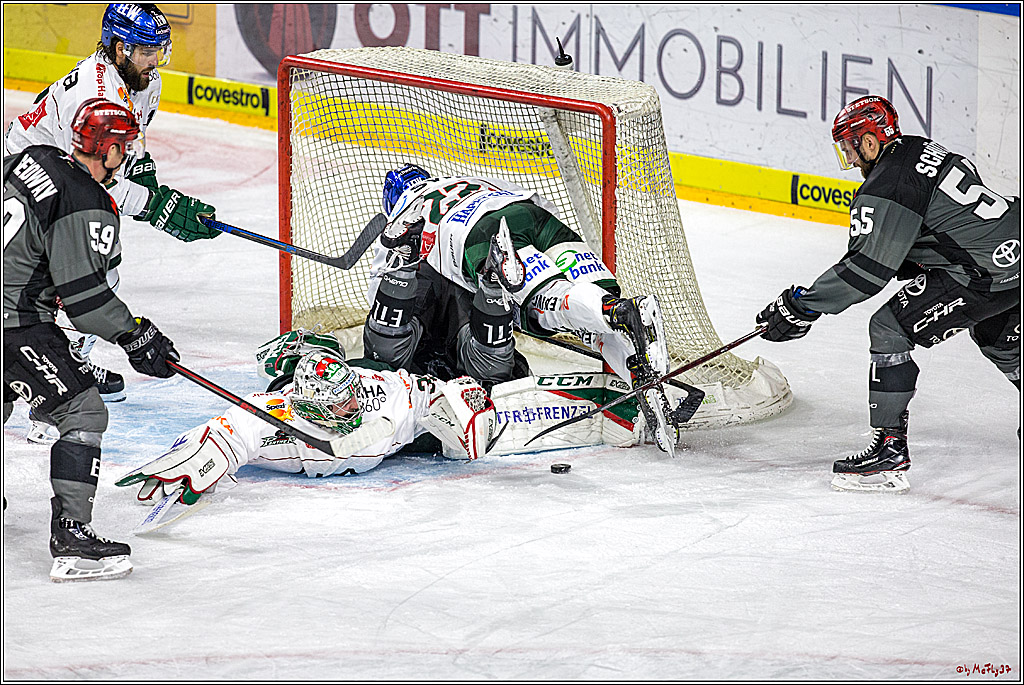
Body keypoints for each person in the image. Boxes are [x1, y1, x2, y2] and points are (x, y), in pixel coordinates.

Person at [756, 95, 1020, 493]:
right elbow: (948, 224)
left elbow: (864, 273)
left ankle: (889, 450)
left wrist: (801, 306)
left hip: (986, 272)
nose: (851, 159)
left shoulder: (887, 184)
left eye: (851, 147)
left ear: (870, 140)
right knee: (996, 334)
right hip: (1014, 250)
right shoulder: (920, 148)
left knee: (888, 328)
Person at [362, 164, 687, 454]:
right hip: (534, 217)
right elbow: (529, 200)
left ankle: (614, 312)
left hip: (480, 236)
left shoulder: (404, 215)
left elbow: (383, 322)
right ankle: (636, 354)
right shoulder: (462, 180)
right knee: (594, 320)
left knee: (541, 307)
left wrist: (404, 268)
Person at [5, 3, 218, 418]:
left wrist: (147, 177)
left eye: (160, 51)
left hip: (63, 172)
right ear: (120, 48)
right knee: (81, 275)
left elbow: (126, 147)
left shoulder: (144, 80)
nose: (155, 61)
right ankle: (52, 373)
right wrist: (159, 206)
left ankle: (61, 360)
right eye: (147, 52)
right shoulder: (95, 93)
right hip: (30, 173)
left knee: (99, 263)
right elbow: (92, 178)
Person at [4, 98, 181, 581]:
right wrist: (136, 335)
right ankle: (73, 540)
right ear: (110, 150)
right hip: (14, 321)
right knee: (82, 411)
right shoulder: (86, 200)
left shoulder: (32, 157)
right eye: (124, 147)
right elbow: (85, 302)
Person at [116, 349, 499, 508]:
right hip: (294, 398)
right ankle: (288, 356)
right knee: (281, 379)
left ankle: (310, 348)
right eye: (341, 404)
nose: (353, 406)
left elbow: (434, 393)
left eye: (352, 396)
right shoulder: (279, 417)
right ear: (315, 408)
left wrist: (460, 402)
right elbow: (229, 429)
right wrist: (204, 458)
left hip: (383, 424)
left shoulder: (382, 395)